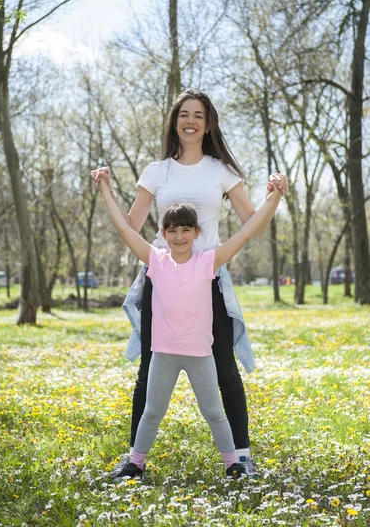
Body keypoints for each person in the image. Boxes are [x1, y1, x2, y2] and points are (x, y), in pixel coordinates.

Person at [91, 89, 288, 478]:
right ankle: (134, 459)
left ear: (208, 122)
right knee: (149, 371)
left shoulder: (221, 171)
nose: (191, 121)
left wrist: (272, 197)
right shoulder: (156, 171)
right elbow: (131, 227)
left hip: (207, 277)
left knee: (225, 371)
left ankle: (241, 458)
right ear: (175, 120)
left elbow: (253, 227)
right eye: (184, 114)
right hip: (162, 279)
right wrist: (106, 190)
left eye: (199, 115)